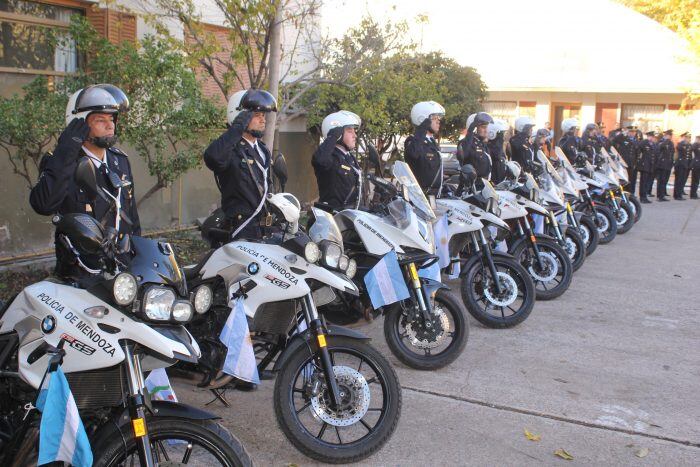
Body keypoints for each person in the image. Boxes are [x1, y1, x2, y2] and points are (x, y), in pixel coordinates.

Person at [30, 84, 138, 279]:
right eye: (100, 120)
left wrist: (138, 257)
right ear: (78, 124)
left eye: (112, 118)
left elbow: (132, 217)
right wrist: (67, 150)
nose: (110, 125)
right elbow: (43, 204)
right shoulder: (60, 161)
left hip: (122, 269)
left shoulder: (120, 161)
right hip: (82, 272)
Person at [204, 88, 278, 240]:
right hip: (241, 228)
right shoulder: (231, 148)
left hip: (264, 227)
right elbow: (213, 158)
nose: (263, 120)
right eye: (257, 115)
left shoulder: (263, 149)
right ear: (241, 117)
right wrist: (237, 127)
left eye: (263, 115)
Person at [312, 110, 362, 210]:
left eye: (354, 131)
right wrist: (332, 137)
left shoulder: (349, 157)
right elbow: (320, 161)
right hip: (333, 219)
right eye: (349, 131)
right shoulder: (330, 157)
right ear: (337, 133)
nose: (355, 135)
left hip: (350, 216)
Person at [404, 101, 445, 194]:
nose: (438, 121)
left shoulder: (432, 142)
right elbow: (413, 154)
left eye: (439, 118)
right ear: (423, 119)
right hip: (420, 195)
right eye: (434, 118)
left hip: (434, 194)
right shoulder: (413, 141)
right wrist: (422, 128)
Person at [457, 112, 494, 181]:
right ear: (474, 127)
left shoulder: (483, 144)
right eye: (483, 127)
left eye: (487, 127)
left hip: (484, 184)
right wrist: (470, 132)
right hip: (470, 185)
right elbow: (464, 155)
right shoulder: (464, 142)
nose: (486, 130)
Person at [613, 126, 638, 193]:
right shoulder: (623, 138)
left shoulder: (636, 140)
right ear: (628, 132)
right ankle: (622, 192)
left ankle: (630, 193)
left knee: (631, 180)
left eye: (634, 132)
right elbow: (614, 140)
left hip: (632, 163)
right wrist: (623, 133)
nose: (633, 133)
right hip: (624, 162)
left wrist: (635, 162)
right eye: (631, 132)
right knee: (623, 179)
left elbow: (637, 153)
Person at [486, 119, 509, 184]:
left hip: (501, 184)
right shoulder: (489, 148)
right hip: (493, 185)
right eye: (501, 134)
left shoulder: (500, 147)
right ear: (492, 133)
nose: (503, 136)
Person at [635, 131, 656, 204]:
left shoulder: (653, 144)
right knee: (643, 182)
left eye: (653, 137)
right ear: (648, 136)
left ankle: (645, 196)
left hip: (650, 165)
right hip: (644, 165)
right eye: (651, 136)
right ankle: (642, 197)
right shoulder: (643, 143)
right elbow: (638, 152)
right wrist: (639, 162)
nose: (652, 138)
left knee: (647, 182)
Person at [655, 130, 674, 201]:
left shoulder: (671, 143)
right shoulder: (661, 142)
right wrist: (665, 141)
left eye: (671, 135)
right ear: (666, 135)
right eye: (669, 135)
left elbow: (672, 154)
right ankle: (659, 196)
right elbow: (658, 150)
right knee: (661, 180)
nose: (670, 137)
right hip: (662, 165)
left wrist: (672, 163)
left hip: (668, 165)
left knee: (665, 181)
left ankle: (662, 195)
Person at [673, 132, 692, 200]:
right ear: (684, 137)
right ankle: (677, 195)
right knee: (679, 180)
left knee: (682, 180)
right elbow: (679, 148)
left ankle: (679, 194)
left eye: (689, 138)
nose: (688, 139)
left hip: (685, 165)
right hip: (680, 165)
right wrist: (683, 142)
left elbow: (689, 155)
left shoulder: (688, 145)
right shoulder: (680, 144)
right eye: (686, 137)